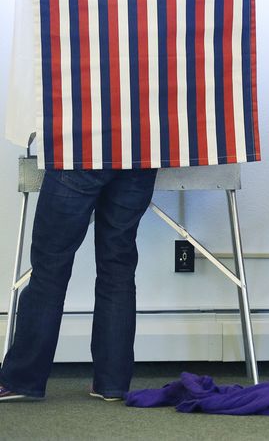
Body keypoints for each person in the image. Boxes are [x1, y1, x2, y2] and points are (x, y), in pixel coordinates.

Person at [0, 168, 158, 402]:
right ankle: (112, 383)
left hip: (80, 150)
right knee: (118, 268)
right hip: (138, 155)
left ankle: (23, 379)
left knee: (50, 268)